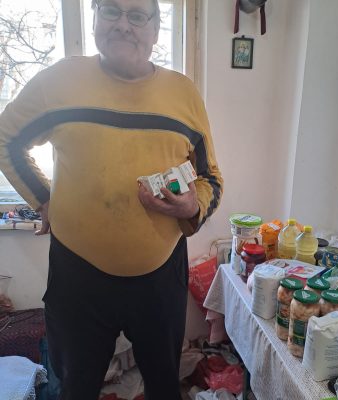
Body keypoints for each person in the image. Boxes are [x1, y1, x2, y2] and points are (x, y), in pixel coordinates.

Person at [0, 0, 223, 398]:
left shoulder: (183, 93)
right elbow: (6, 139)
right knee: (75, 388)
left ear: (155, 30)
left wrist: (192, 207)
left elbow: (211, 178)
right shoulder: (58, 82)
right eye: (111, 11)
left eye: (137, 16)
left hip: (160, 278)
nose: (123, 25)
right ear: (94, 18)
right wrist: (44, 200)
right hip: (77, 277)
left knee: (164, 387)